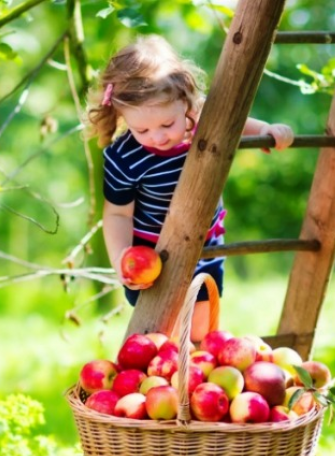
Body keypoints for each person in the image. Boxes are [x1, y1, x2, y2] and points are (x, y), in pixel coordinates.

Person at [86, 35, 294, 342]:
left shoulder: (201, 120)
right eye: (142, 129)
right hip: (153, 253)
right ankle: (166, 370)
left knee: (201, 331)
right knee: (160, 333)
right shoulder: (123, 159)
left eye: (167, 124)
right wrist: (121, 260)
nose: (157, 137)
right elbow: (118, 214)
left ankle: (195, 368)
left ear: (185, 100)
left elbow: (235, 121)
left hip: (205, 244)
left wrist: (265, 130)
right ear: (122, 116)